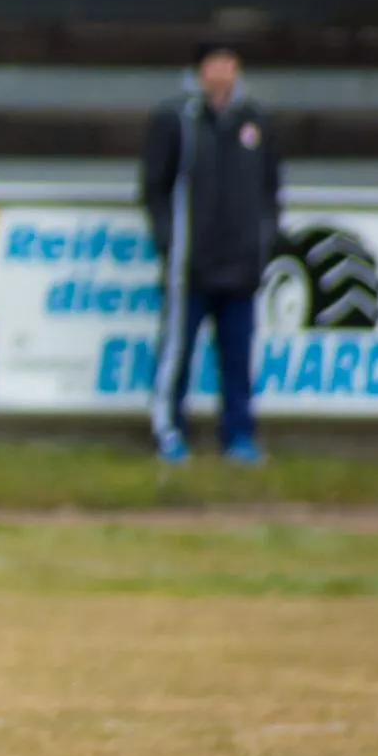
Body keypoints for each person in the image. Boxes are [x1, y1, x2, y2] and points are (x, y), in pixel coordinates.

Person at [141, 41, 282, 465]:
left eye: (228, 63)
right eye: (213, 63)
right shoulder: (176, 120)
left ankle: (239, 436)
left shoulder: (257, 120)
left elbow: (271, 189)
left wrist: (261, 244)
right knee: (177, 355)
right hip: (190, 265)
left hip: (241, 265)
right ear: (200, 70)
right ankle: (169, 431)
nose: (221, 71)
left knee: (238, 359)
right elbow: (154, 188)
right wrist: (170, 241)